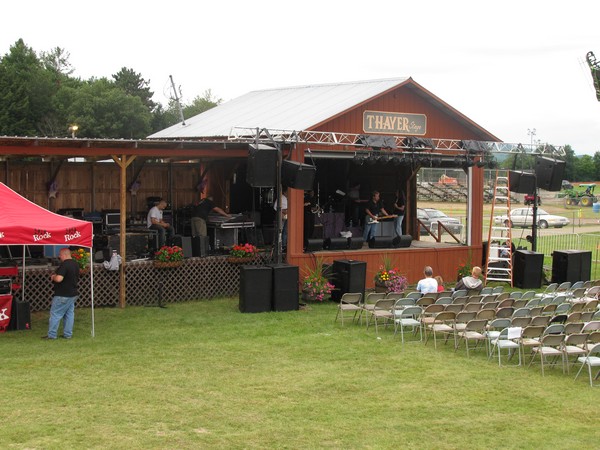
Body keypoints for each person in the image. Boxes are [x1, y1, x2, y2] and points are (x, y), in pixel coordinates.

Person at [43, 247, 80, 339]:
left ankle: (51, 335)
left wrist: (53, 277)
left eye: (60, 255)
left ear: (64, 254)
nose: (59, 257)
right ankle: (68, 334)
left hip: (62, 294)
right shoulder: (76, 264)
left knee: (55, 314)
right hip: (73, 293)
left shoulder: (65, 265)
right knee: (69, 314)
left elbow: (59, 279)